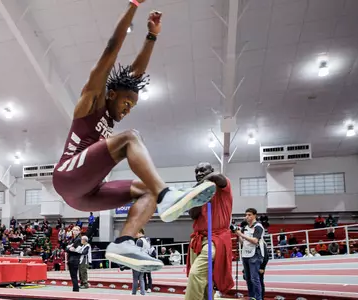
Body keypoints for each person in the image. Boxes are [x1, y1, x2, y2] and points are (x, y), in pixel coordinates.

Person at [52, 0, 217, 273]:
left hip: (85, 195)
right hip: (67, 176)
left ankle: (125, 240)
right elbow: (111, 49)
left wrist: (152, 36)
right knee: (130, 138)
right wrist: (133, 6)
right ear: (112, 95)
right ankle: (167, 194)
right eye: (127, 104)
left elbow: (135, 75)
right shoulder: (91, 101)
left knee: (147, 190)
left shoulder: (119, 97)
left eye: (133, 107)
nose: (128, 110)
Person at [186, 162, 234, 300]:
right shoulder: (198, 193)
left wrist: (199, 184)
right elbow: (193, 214)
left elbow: (218, 176)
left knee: (195, 274)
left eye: (202, 170)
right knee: (205, 281)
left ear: (210, 170)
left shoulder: (223, 187)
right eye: (196, 172)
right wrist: (196, 196)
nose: (199, 174)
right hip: (198, 239)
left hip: (215, 239)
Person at [235, 208, 264, 300]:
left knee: (254, 279)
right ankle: (252, 297)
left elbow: (255, 241)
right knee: (247, 278)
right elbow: (242, 242)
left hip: (255, 254)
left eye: (249, 215)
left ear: (255, 215)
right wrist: (238, 234)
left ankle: (258, 298)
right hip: (245, 254)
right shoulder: (246, 228)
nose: (247, 216)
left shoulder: (258, 226)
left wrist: (241, 234)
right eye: (246, 215)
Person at [66, 226, 83, 292]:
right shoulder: (72, 239)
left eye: (76, 230)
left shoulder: (78, 239)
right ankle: (75, 288)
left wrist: (70, 248)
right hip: (71, 259)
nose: (74, 231)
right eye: (73, 230)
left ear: (79, 231)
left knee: (74, 276)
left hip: (74, 259)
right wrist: (70, 248)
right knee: (73, 276)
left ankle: (76, 289)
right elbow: (67, 249)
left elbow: (74, 249)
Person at [132, 229, 149, 295]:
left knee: (135, 278)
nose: (135, 235)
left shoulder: (139, 241)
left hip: (138, 261)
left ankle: (134, 293)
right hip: (144, 261)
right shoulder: (146, 241)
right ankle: (143, 292)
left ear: (139, 232)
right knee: (141, 278)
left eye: (136, 233)